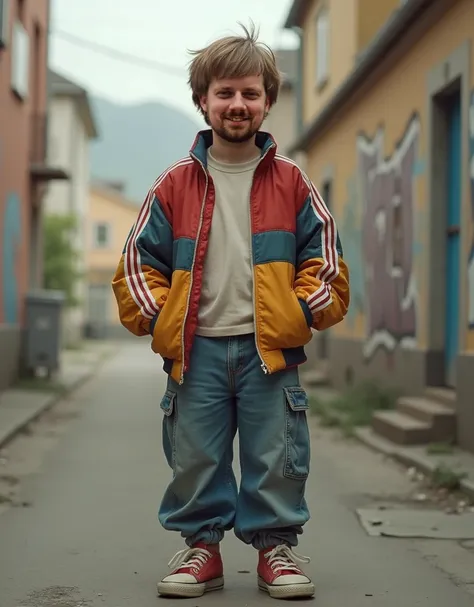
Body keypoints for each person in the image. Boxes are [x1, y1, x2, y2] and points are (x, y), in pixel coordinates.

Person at [112, 23, 350, 601]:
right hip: (197, 353)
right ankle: (202, 551)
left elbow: (329, 265)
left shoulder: (293, 183)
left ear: (268, 102)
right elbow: (134, 266)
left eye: (249, 93)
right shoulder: (173, 185)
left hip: (270, 351)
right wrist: (164, 322)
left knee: (278, 456)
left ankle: (276, 552)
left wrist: (296, 312)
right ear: (202, 100)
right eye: (224, 93)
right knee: (196, 457)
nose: (237, 104)